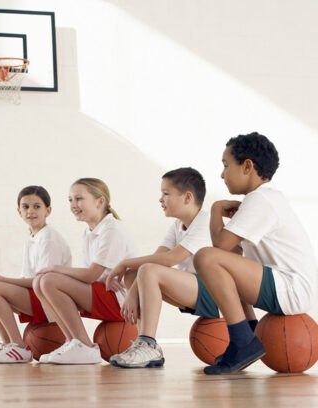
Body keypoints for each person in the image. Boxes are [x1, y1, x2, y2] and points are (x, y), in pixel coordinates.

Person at [194, 132, 317, 374]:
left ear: (248, 166)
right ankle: (248, 332)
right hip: (288, 285)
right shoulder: (264, 199)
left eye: (226, 165)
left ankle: (243, 340)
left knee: (205, 257)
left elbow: (218, 248)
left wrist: (216, 209)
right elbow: (228, 254)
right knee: (221, 264)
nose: (222, 174)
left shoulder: (261, 199)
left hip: (291, 288)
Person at [105, 168, 213, 368]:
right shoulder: (177, 225)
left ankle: (148, 343)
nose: (160, 199)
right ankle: (144, 345)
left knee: (144, 270)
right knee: (134, 274)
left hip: (214, 294)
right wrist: (132, 290)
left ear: (188, 197)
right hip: (193, 290)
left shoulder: (205, 221)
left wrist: (124, 262)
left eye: (166, 193)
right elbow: (156, 258)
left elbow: (171, 258)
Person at [34, 178, 137, 364]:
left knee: (49, 280)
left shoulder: (112, 229)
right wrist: (96, 277)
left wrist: (57, 268)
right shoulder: (89, 232)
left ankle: (85, 346)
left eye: (79, 199)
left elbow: (90, 274)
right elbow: (92, 276)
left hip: (122, 301)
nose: (73, 205)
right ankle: (72, 341)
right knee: (39, 281)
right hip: (105, 291)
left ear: (100, 202)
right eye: (70, 200)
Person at [0, 186, 72, 363]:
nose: (30, 211)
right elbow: (26, 279)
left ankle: (19, 348)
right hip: (37, 294)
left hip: (51, 301)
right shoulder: (33, 237)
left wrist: (0, 279)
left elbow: (41, 281)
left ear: (48, 211)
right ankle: (8, 344)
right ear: (19, 212)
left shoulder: (49, 239)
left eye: (37, 206)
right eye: (25, 207)